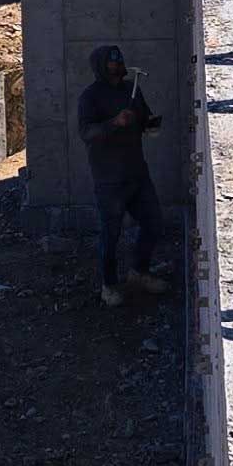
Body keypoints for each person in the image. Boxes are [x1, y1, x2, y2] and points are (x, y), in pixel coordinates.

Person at [77, 44, 166, 306]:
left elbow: (145, 117)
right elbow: (86, 133)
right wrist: (114, 123)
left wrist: (149, 124)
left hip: (137, 172)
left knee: (153, 222)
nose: (118, 64)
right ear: (101, 67)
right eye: (112, 62)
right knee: (111, 234)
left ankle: (139, 271)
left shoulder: (132, 90)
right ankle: (109, 285)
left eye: (119, 60)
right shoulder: (90, 97)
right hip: (109, 179)